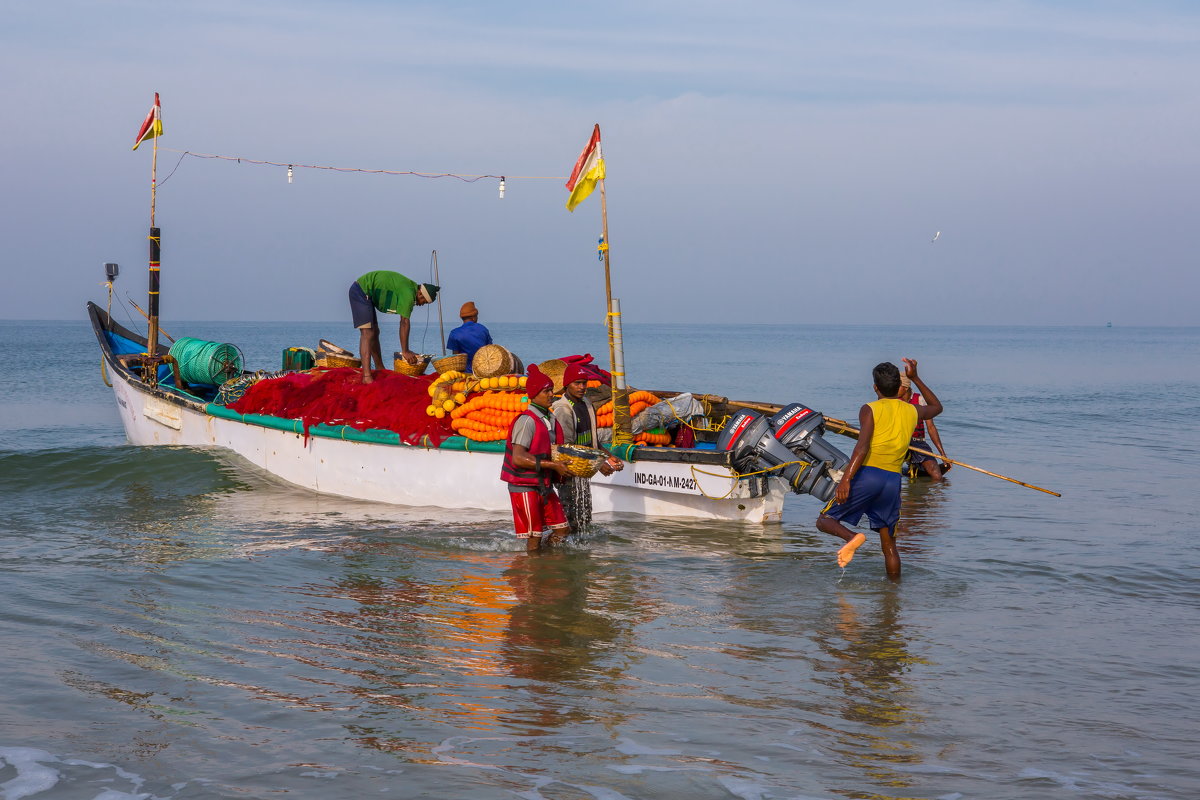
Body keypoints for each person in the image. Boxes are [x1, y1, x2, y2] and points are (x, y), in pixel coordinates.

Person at [816, 359, 943, 579]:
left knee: (825, 520)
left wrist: (846, 479)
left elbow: (862, 447)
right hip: (892, 482)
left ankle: (852, 538)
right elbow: (937, 407)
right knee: (890, 546)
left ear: (875, 387)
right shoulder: (912, 410)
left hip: (868, 475)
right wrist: (915, 378)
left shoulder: (869, 409)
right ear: (899, 387)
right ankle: (892, 600)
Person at [501, 364, 574, 551]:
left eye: (551, 390)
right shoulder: (526, 421)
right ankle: (532, 572)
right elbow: (518, 458)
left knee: (562, 530)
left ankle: (546, 561)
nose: (551, 394)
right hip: (525, 486)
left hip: (543, 484)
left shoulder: (549, 419)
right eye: (546, 391)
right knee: (534, 536)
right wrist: (553, 465)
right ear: (534, 394)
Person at [551, 363, 624, 531]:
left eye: (584, 383)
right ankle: (564, 552)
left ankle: (582, 549)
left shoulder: (586, 404)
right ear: (567, 384)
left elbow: (593, 440)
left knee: (585, 514)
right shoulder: (563, 409)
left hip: (583, 471)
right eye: (577, 383)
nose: (582, 387)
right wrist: (599, 465)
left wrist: (609, 456)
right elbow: (568, 449)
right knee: (570, 516)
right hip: (568, 471)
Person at [348, 270, 438, 384]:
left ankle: (379, 368)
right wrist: (405, 351)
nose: (422, 304)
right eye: (424, 301)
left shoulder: (410, 288)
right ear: (420, 294)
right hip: (361, 290)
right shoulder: (409, 293)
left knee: (375, 332)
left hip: (368, 294)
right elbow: (404, 322)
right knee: (368, 333)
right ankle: (366, 376)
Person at [900, 375, 950, 481]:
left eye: (896, 386)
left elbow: (931, 427)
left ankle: (935, 494)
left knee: (936, 474)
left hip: (918, 442)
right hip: (900, 442)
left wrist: (943, 455)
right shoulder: (893, 401)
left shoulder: (920, 400)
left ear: (905, 387)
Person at [445, 301, 493, 370]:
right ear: (473, 317)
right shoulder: (483, 329)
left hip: (465, 372)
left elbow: (456, 358)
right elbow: (490, 350)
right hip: (483, 371)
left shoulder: (454, 333)